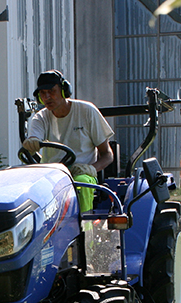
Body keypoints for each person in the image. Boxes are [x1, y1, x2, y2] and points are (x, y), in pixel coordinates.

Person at [22, 70, 114, 212]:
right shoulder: (40, 118)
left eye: (51, 91)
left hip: (81, 175)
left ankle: (85, 228)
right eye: (42, 93)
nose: (47, 97)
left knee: (82, 183)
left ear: (64, 91)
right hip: (51, 176)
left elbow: (108, 155)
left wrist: (91, 168)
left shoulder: (86, 111)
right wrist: (32, 142)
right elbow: (35, 137)